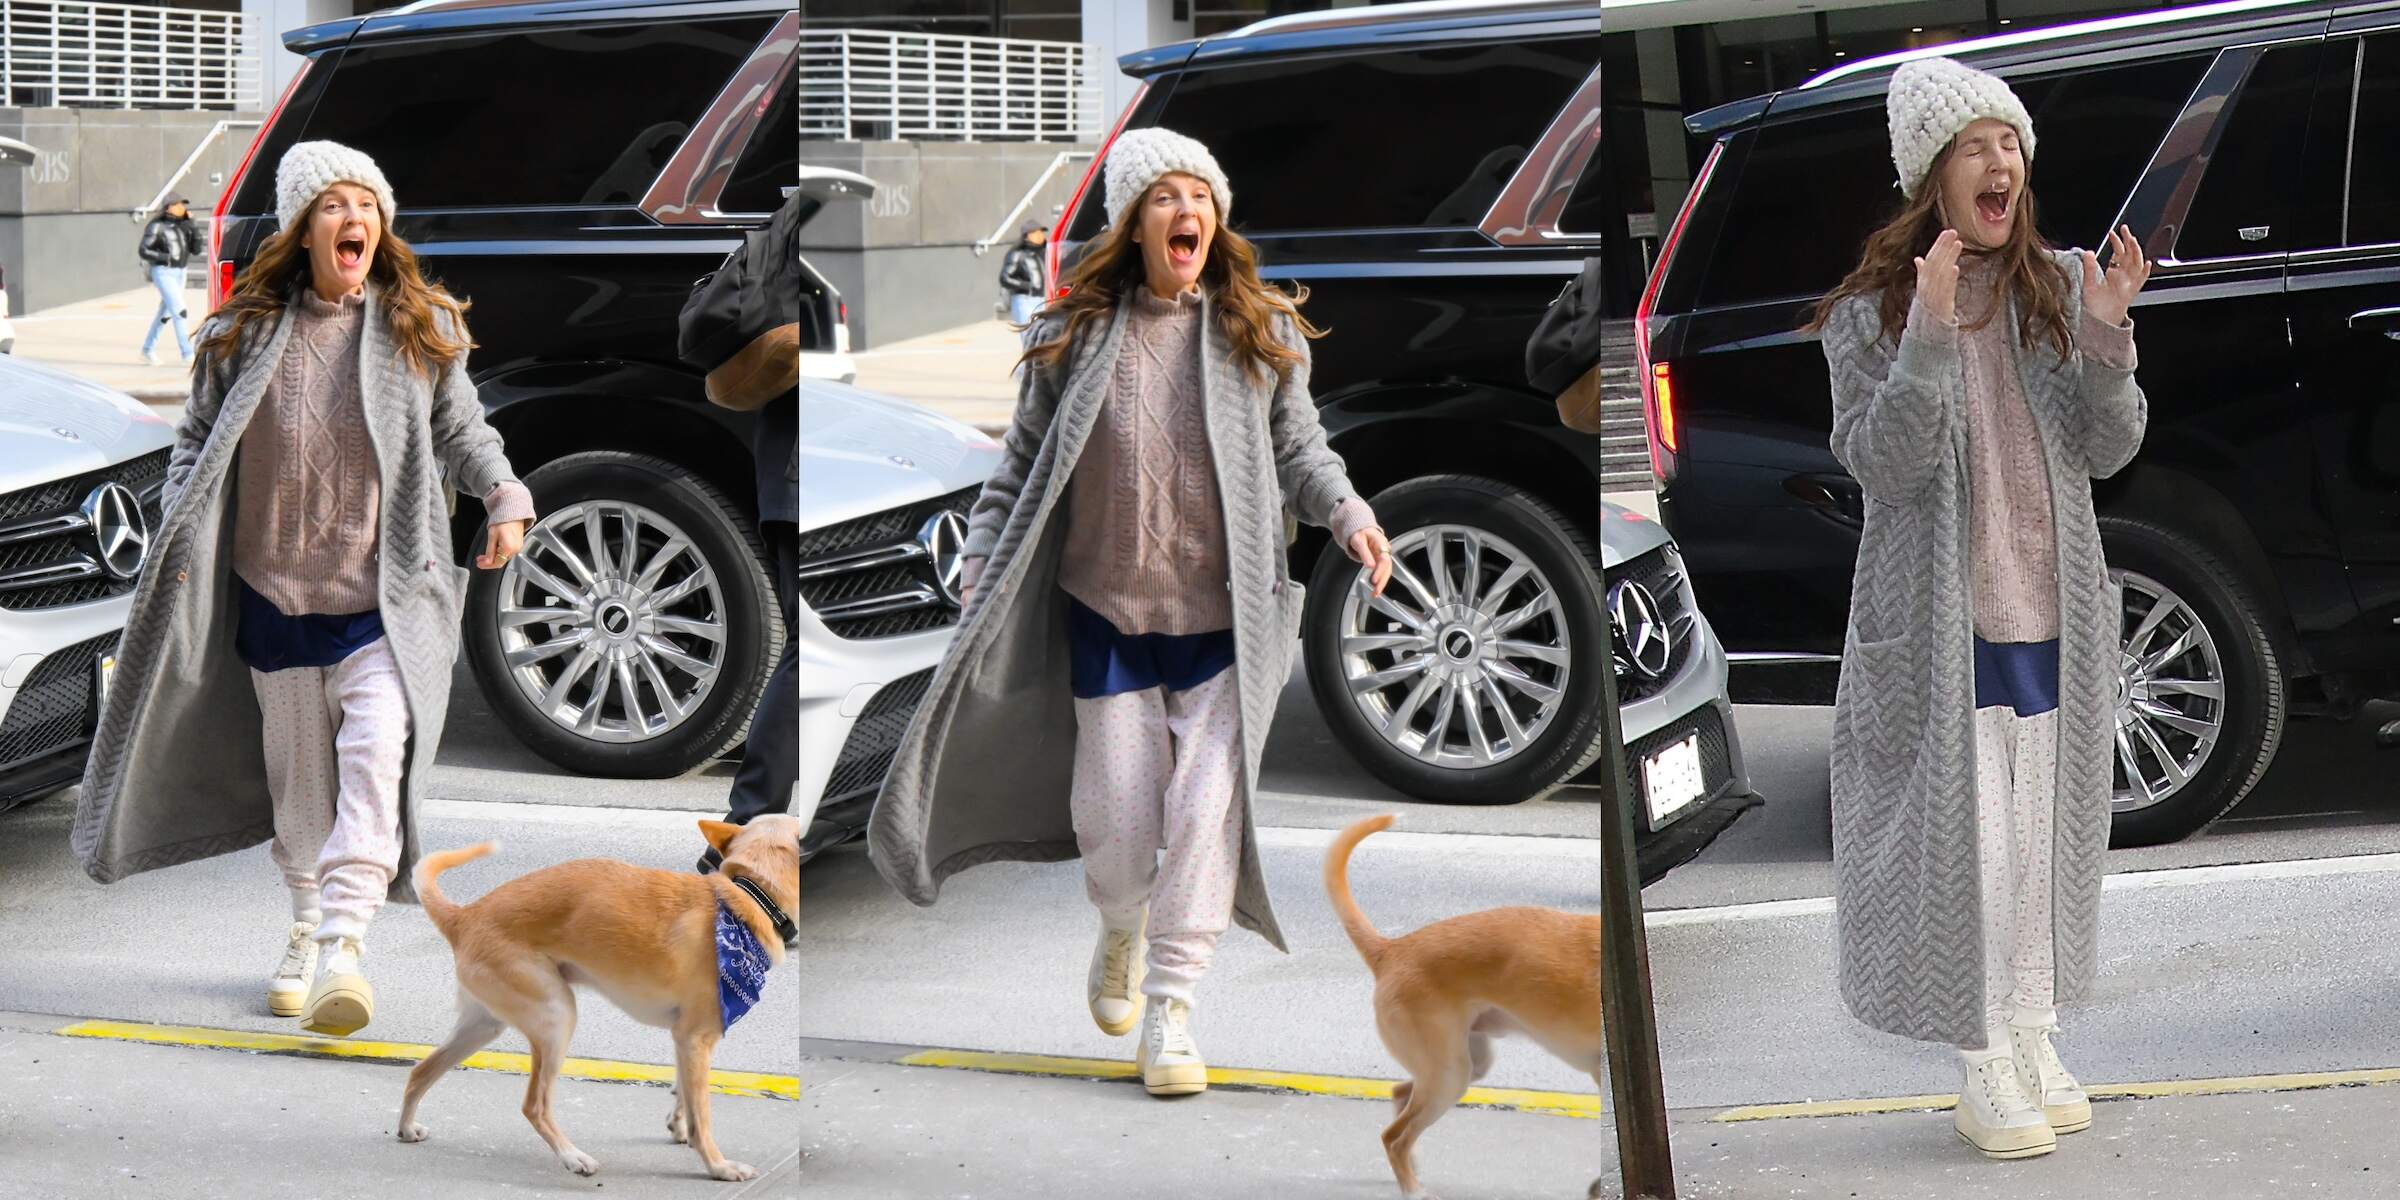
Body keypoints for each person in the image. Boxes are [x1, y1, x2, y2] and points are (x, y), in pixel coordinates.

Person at [870, 128, 1394, 1098]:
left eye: (1200, 196)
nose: (1184, 211)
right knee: (1115, 824)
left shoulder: (1260, 337)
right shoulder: (1070, 338)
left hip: (1222, 623)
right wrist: (982, 558)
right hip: (1104, 614)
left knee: (1204, 817)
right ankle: (1119, 926)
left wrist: (1350, 514)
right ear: (1133, 224)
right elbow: (1019, 467)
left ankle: (1172, 1011)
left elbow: (1303, 454)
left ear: (1217, 221)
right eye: (1163, 198)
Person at [72, 141, 536, 1039]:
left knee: (375, 761)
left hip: (382, 603)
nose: (351, 218)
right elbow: (192, 444)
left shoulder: (417, 327)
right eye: (332, 206)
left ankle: (345, 947)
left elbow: (465, 431)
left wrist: (506, 495)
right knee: (301, 795)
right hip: (273, 603)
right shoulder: (238, 336)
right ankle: (305, 925)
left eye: (366, 204)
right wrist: (181, 523)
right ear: (300, 230)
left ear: (382, 227)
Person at [1805, 59, 2150, 1161]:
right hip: (1941, 635)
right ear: (1929, 180)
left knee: (2043, 851)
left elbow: (2109, 449)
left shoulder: (2058, 284)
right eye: (1972, 147)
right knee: (1974, 856)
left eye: (2008, 143)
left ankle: (2035, 1034)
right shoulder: (1871, 316)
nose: (1998, 163)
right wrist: (1929, 336)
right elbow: (1886, 467)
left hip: (2053, 614)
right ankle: (1978, 1060)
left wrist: (2105, 336)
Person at [138, 195, 201, 364]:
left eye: (183, 204)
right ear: (168, 207)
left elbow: (196, 249)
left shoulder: (183, 226)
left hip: (180, 272)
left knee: (165, 314)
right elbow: (144, 250)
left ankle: (147, 349)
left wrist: (193, 226)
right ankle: (187, 354)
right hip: (163, 272)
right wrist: (165, 257)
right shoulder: (156, 226)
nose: (182, 208)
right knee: (180, 311)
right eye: (178, 204)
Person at [999, 220, 1049, 326]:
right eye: (1036, 233)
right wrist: (1027, 286)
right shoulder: (1017, 255)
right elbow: (1005, 278)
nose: (1040, 235)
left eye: (1041, 232)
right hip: (1027, 301)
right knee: (1029, 334)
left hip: (1045, 299)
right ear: (1027, 236)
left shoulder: (1047, 252)